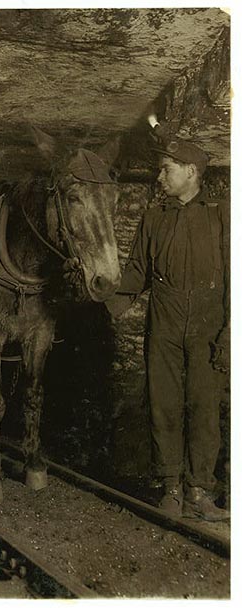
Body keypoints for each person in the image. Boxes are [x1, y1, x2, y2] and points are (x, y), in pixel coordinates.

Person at [105, 127, 229, 521]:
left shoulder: (223, 214)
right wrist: (101, 302)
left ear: (191, 171)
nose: (159, 178)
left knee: (205, 406)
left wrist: (230, 334)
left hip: (210, 321)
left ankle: (200, 492)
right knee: (164, 405)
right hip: (165, 317)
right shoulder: (153, 217)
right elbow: (137, 272)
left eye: (166, 170)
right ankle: (171, 488)